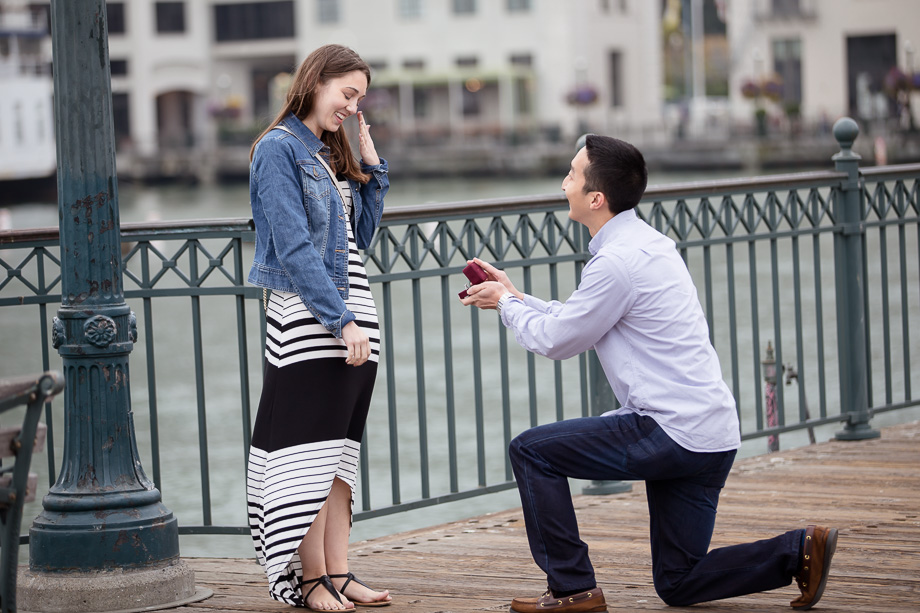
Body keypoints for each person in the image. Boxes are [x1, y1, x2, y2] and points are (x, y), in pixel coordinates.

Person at [460, 134, 837, 613]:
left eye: (572, 174)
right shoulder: (649, 245)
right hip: (711, 433)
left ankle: (573, 589)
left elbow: (558, 341)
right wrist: (514, 295)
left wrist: (507, 305)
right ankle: (798, 549)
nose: (563, 183)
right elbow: (578, 318)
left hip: (668, 431)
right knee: (678, 583)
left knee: (532, 451)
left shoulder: (615, 263)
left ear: (596, 198)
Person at [246, 44, 392, 611]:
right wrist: (341, 319)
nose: (352, 108)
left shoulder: (328, 153)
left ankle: (339, 570)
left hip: (351, 312)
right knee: (306, 449)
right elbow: (292, 244)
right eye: (346, 94)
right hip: (314, 319)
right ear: (315, 82)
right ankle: (310, 581)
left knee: (337, 450)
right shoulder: (278, 150)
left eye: (359, 99)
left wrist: (370, 168)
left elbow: (359, 240)